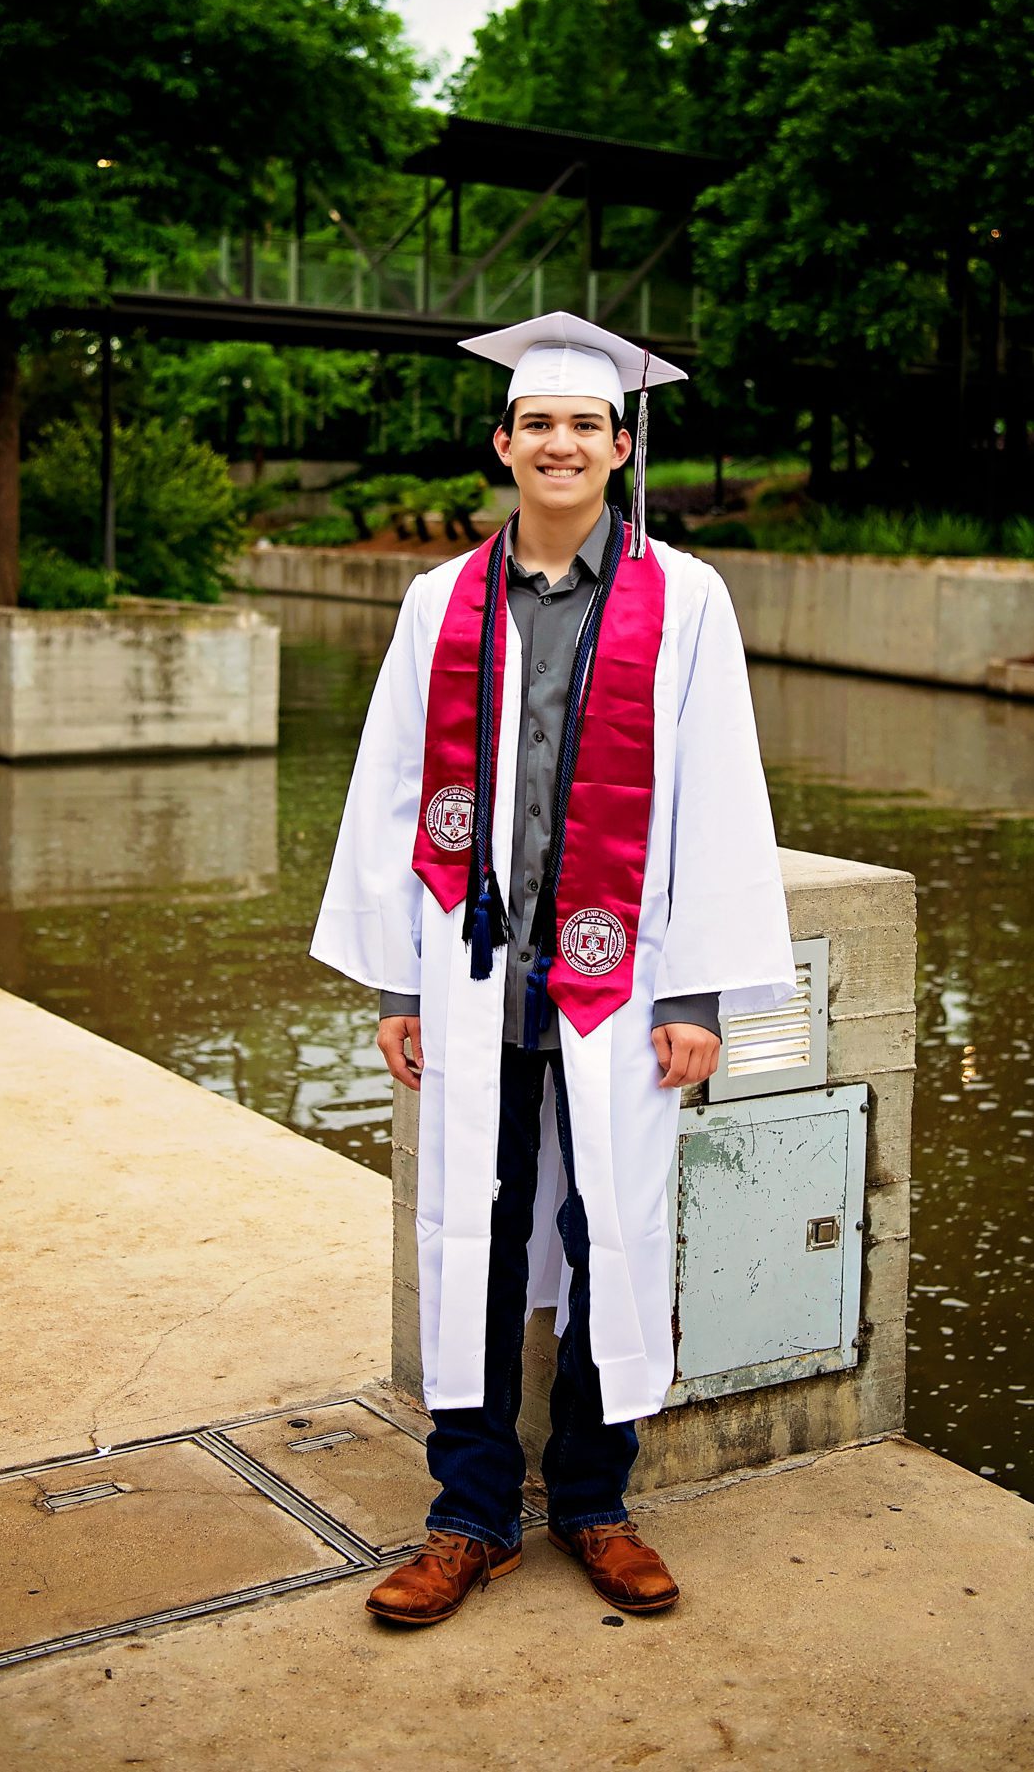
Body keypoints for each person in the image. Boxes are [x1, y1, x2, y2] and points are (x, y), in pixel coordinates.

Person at [310, 312, 794, 1626]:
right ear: (503, 443)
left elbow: (716, 799)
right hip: (477, 979)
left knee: (610, 1239)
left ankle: (592, 1497)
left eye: (585, 424)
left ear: (619, 445)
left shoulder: (684, 599)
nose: (561, 443)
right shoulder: (439, 602)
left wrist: (698, 994)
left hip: (623, 982)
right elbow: (392, 793)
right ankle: (468, 1514)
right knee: (473, 1229)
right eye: (538, 424)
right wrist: (398, 985)